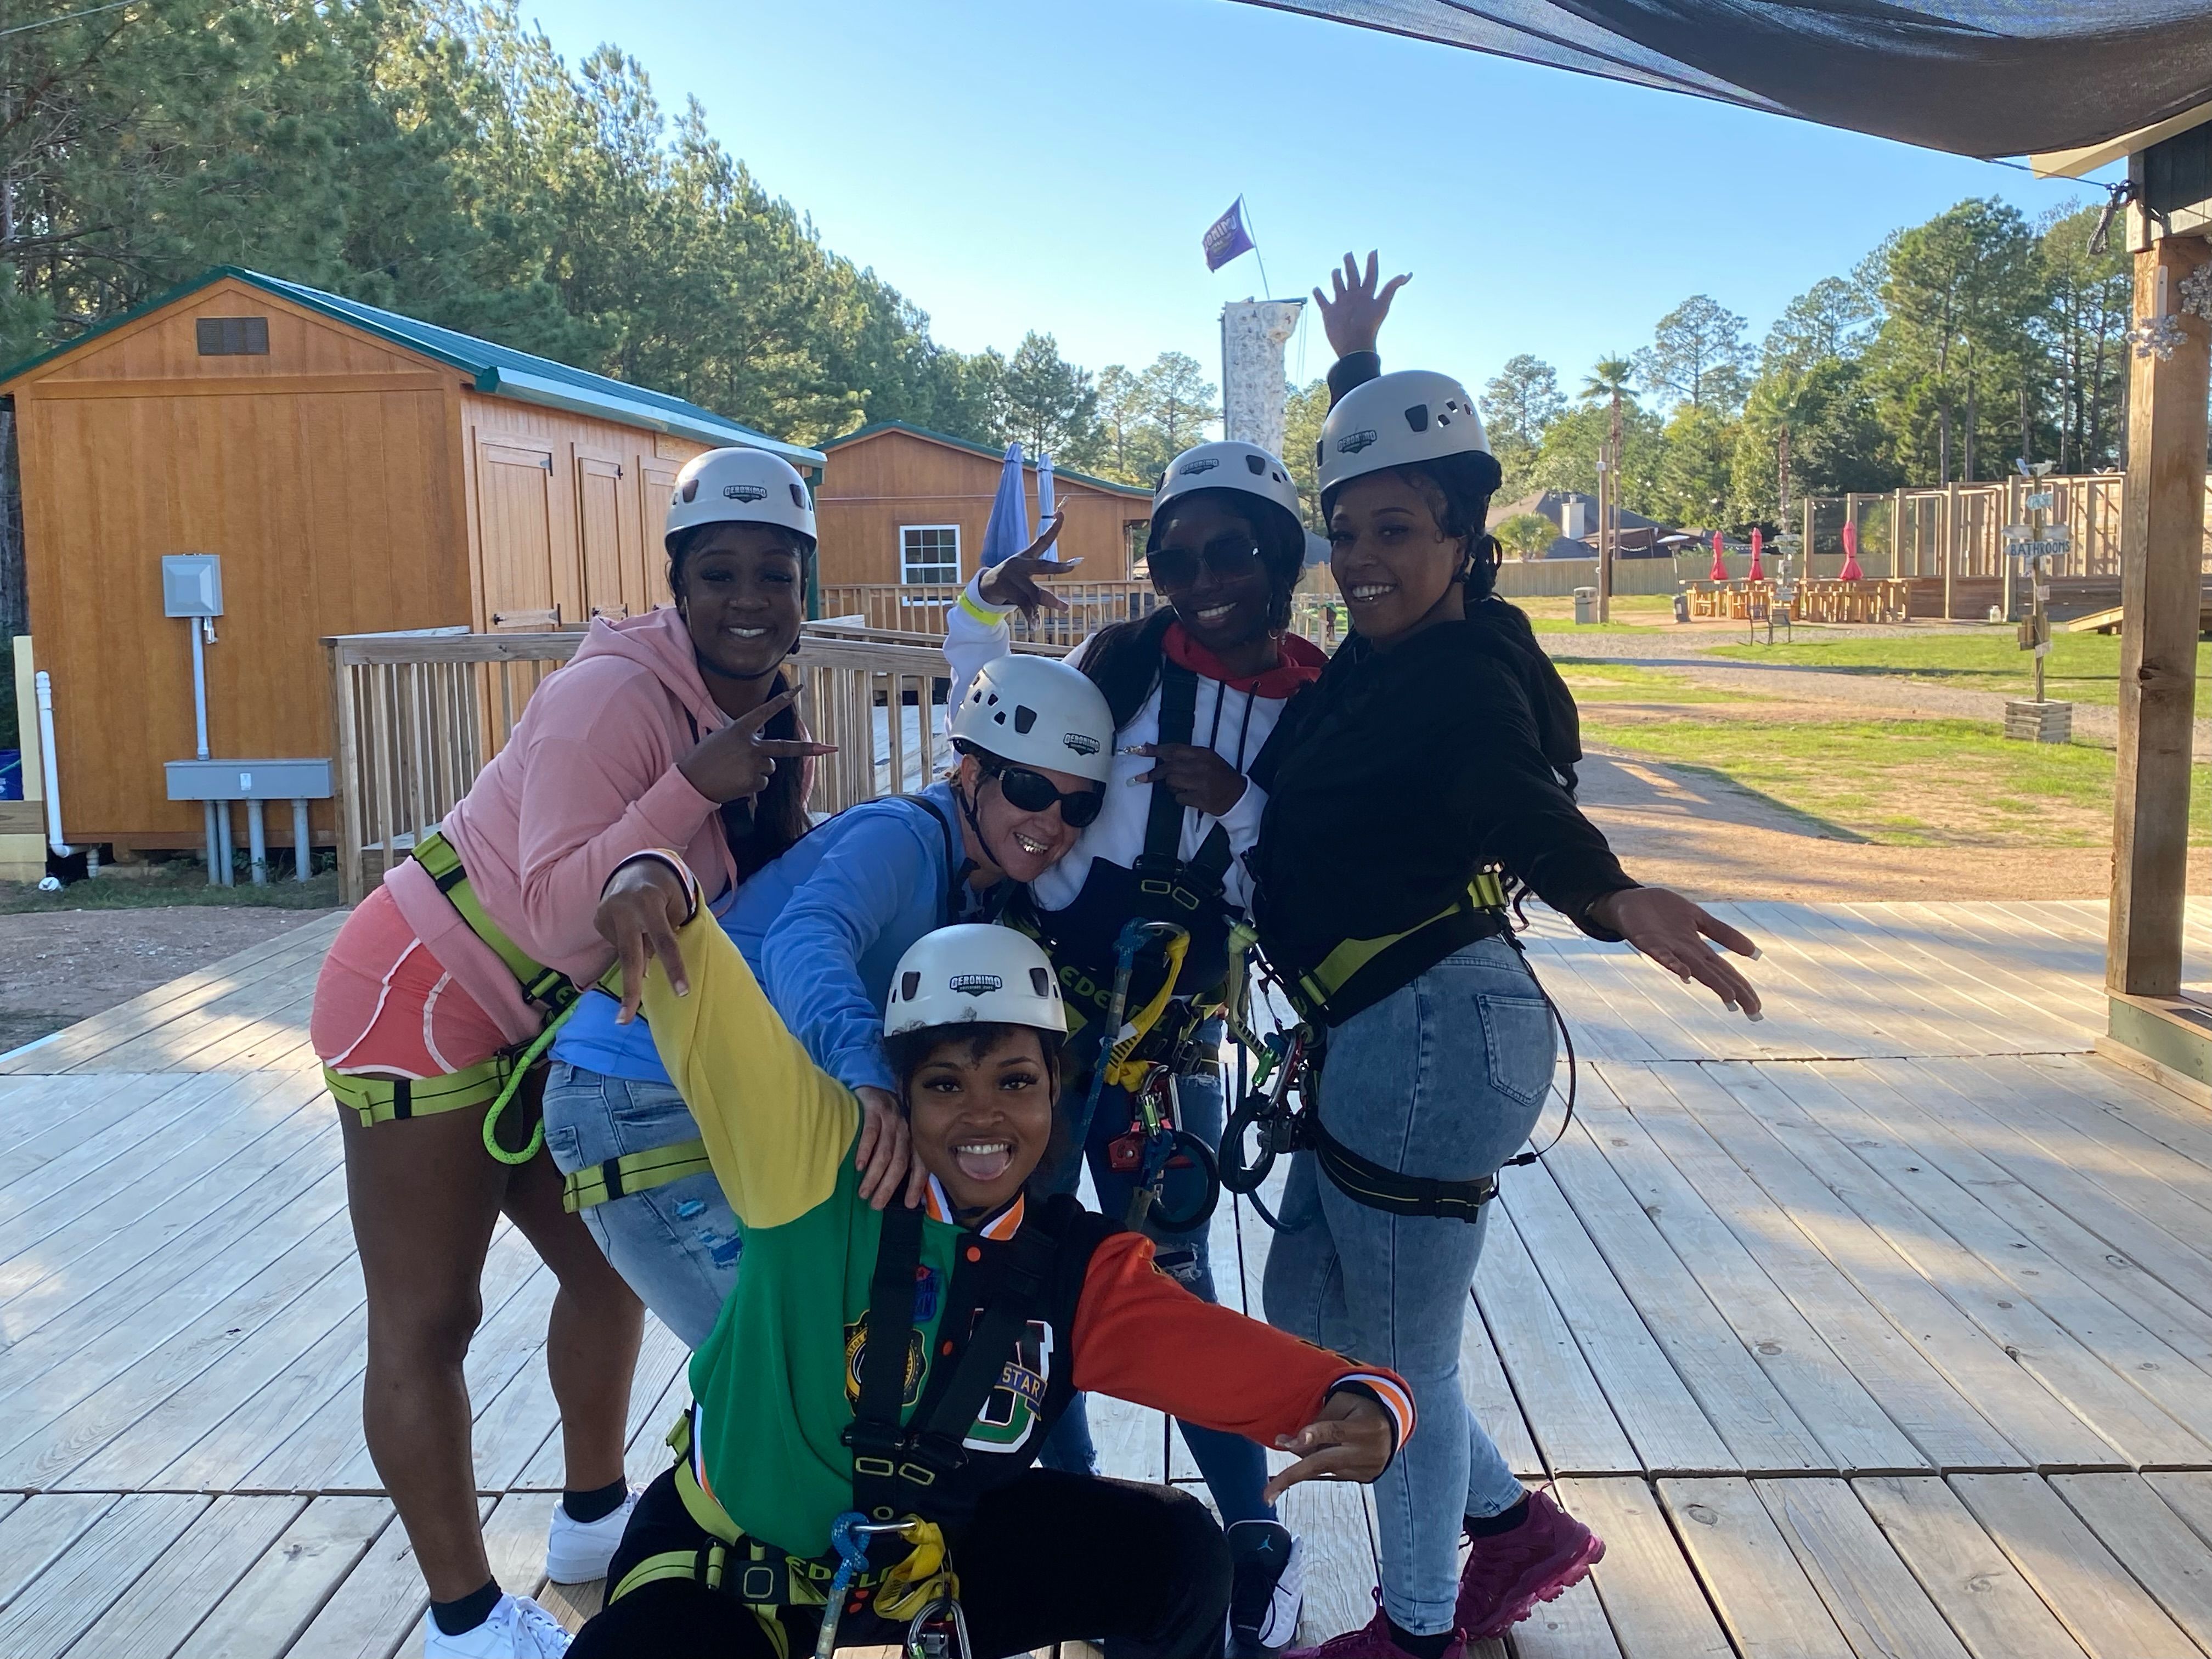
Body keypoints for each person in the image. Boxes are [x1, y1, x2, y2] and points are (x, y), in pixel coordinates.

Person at [1246, 256, 1766, 1659]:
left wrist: (1613, 895)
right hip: (1371, 1031)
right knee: (1309, 1318)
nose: (1361, 558)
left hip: (1431, 1040)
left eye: (1397, 532)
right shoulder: (1396, 644)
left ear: (1467, 535)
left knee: (1398, 1361)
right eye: (1343, 531)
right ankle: (1508, 1530)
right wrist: (1358, 372)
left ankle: (1420, 1628)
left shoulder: (1461, 677)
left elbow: (1511, 798)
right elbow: (1393, 500)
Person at [567, 861, 1414, 1659]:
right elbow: (717, 1012)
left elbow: (1221, 1357)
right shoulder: (815, 1169)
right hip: (731, 1576)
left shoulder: (1071, 1268)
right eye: (944, 1085)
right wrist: (658, 885)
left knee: (1180, 1554)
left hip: (930, 1569)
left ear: (1057, 1092)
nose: (985, 1119)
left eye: (1015, 1082)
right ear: (900, 1096)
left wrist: (1360, 1399)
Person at [309, 445, 833, 1658]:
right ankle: (463, 1623)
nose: (750, 599)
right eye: (721, 574)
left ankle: (595, 1523)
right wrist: (690, 789)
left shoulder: (756, 699)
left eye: (776, 574)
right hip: (423, 993)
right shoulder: (616, 696)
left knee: (609, 1260)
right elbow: (555, 912)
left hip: (545, 1023)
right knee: (431, 1316)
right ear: (677, 583)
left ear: (804, 585)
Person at [943, 445, 1328, 1654]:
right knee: (1024, 1272)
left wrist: (1239, 804)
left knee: (1165, 1274)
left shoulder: (1322, 705)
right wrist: (975, 605)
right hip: (1040, 1024)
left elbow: (1305, 877)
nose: (1202, 577)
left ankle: (1253, 1535)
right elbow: (997, 719)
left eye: (1230, 550)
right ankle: (1062, 1507)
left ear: (1280, 555)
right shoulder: (1123, 663)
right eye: (1175, 556)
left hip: (1170, 1037)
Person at [549, 651, 1116, 1344]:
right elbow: (804, 942)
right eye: (1029, 788)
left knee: (839, 1357)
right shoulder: (904, 837)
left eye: (1079, 803)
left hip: (720, 1094)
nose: (1052, 820)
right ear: (971, 774)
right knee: (785, 1366)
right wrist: (869, 1078)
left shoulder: (977, 882)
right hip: (638, 1089)